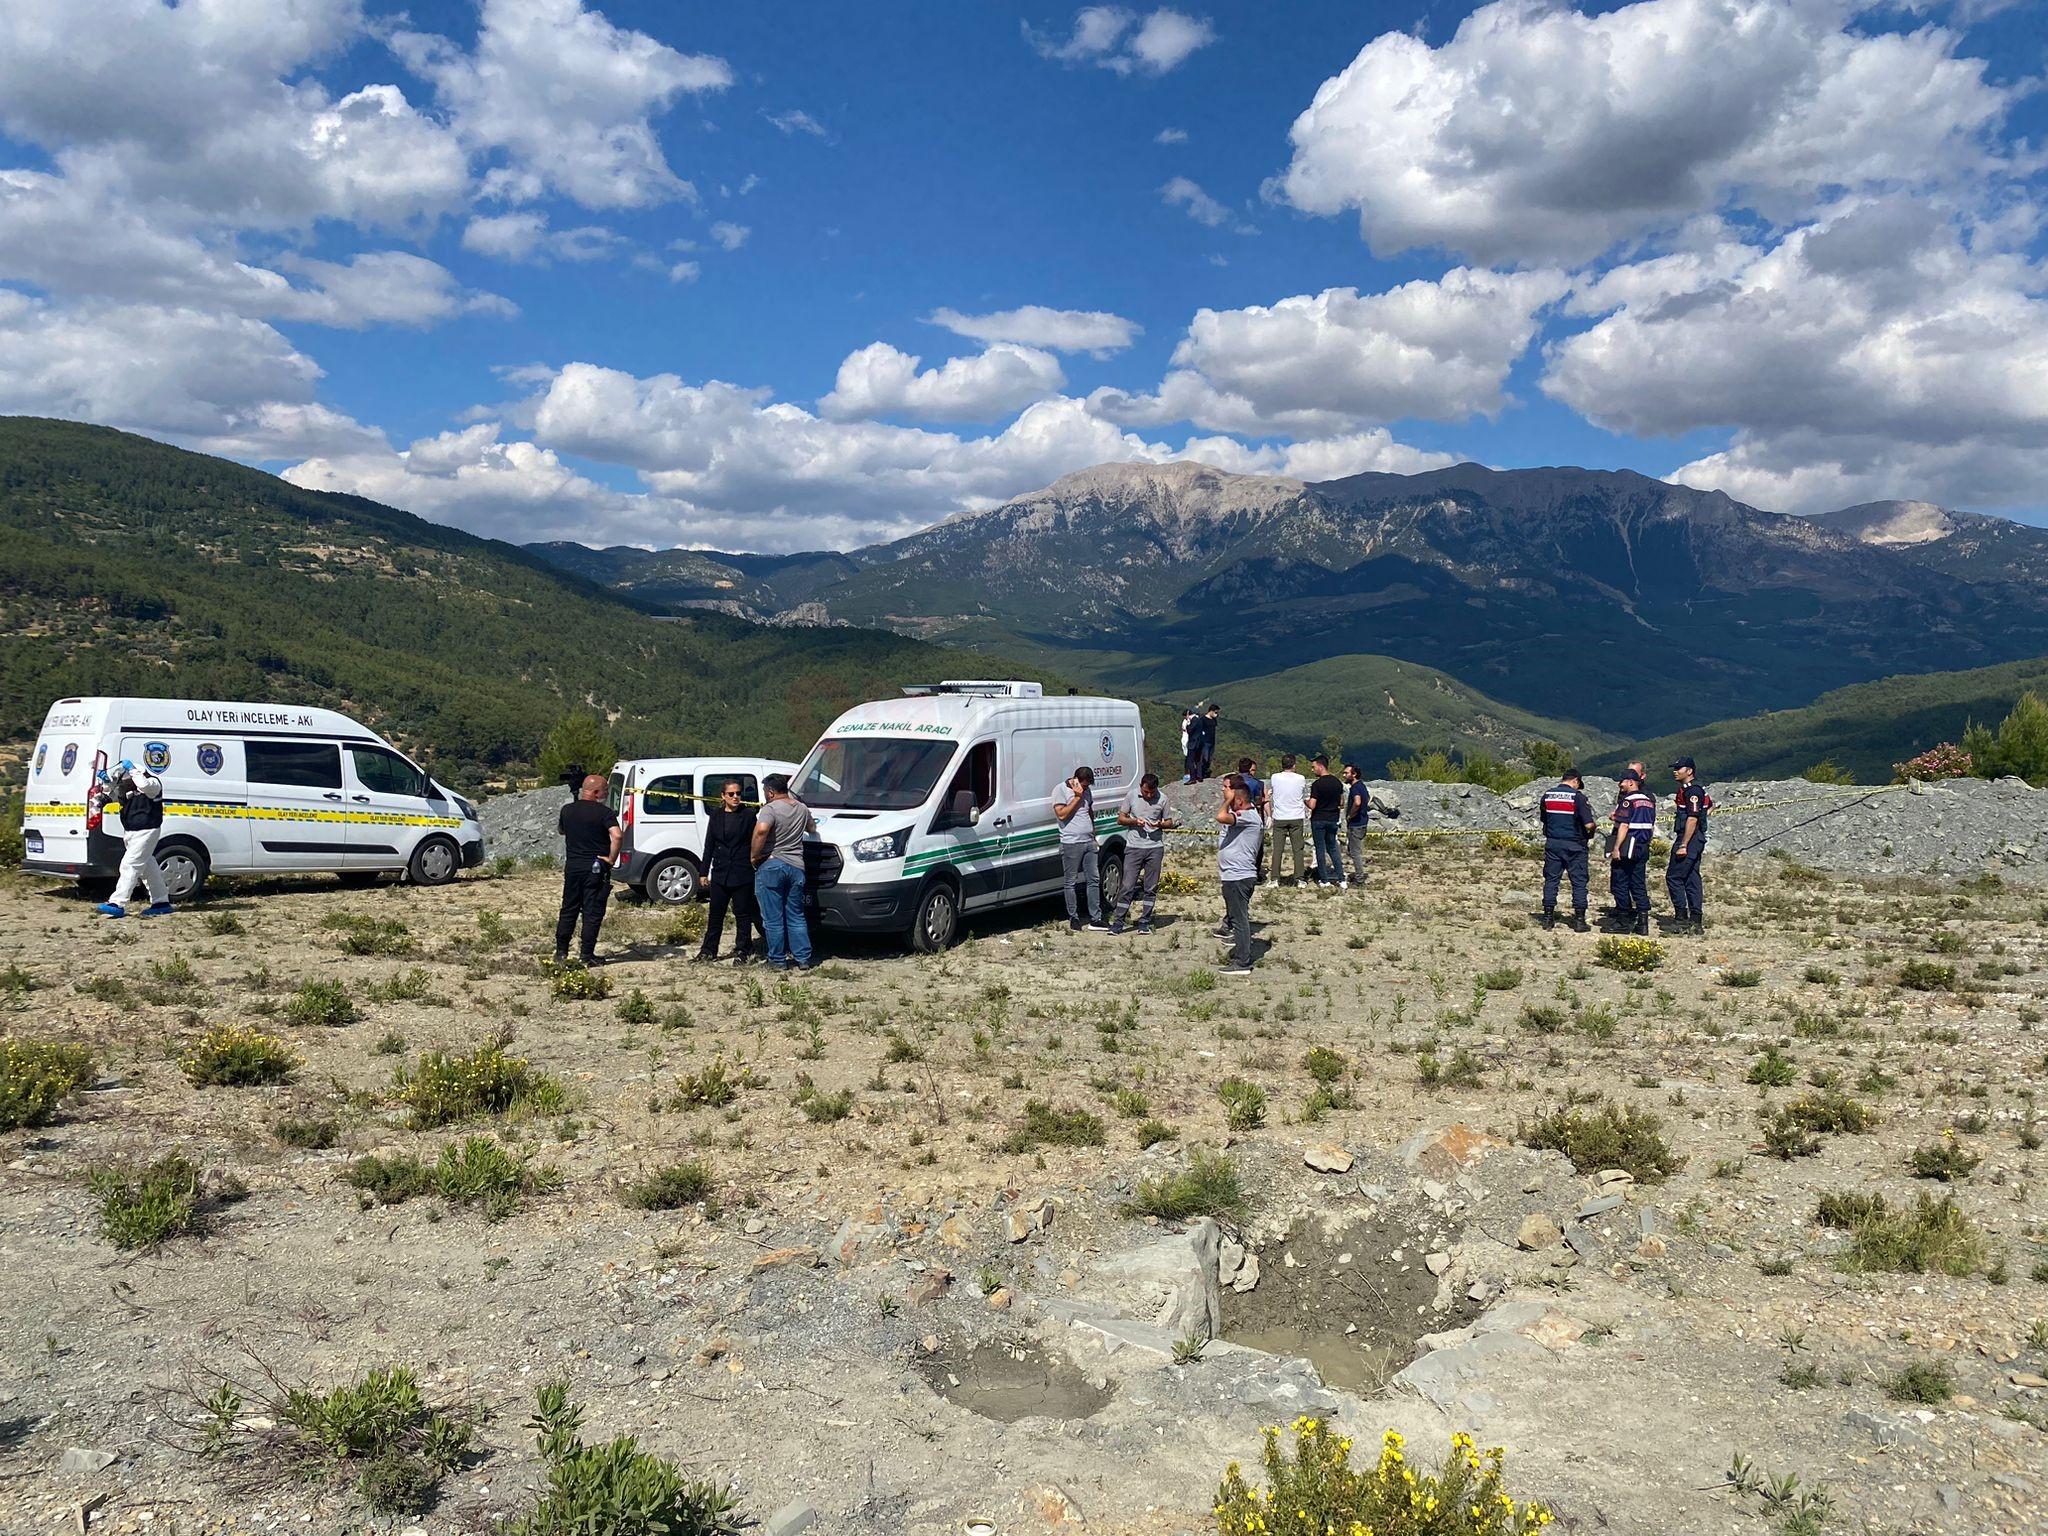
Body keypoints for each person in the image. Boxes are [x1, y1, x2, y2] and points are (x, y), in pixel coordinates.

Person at [751, 773, 817, 969]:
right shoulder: (801, 808)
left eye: (765, 792)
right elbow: (812, 828)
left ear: (770, 792)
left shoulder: (769, 809)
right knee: (796, 915)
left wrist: (754, 855)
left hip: (773, 863)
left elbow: (762, 830)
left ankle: (777, 960)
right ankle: (803, 959)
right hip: (797, 866)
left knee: (773, 918)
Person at [94, 759, 173, 919]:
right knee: (147, 867)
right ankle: (161, 902)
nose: (122, 786)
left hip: (147, 830)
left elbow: (143, 786)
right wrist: (107, 783)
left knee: (130, 865)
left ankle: (117, 903)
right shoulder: (127, 790)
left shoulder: (152, 784)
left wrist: (131, 769)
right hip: (131, 832)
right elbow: (113, 797)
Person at [555, 774, 620, 964]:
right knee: (592, 911)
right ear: (596, 792)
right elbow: (617, 836)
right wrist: (610, 860)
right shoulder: (604, 813)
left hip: (573, 866)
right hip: (595, 867)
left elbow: (562, 831)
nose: (605, 794)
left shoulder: (567, 810)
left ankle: (561, 951)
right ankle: (586, 955)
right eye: (605, 791)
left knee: (569, 908)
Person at [695, 778, 759, 964]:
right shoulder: (716, 815)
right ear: (723, 796)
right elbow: (710, 844)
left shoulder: (748, 815)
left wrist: (755, 862)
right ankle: (708, 951)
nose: (735, 797)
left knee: (742, 914)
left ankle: (743, 950)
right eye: (731, 794)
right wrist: (703, 871)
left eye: (738, 793)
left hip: (742, 872)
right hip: (721, 872)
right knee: (716, 914)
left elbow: (755, 842)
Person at [1109, 773, 1176, 933]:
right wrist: (1134, 821)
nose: (1149, 795)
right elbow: (1120, 819)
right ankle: (1118, 922)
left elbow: (1169, 822)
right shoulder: (1131, 795)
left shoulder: (1163, 799)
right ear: (1141, 786)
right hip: (1134, 847)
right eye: (1146, 792)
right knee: (1127, 886)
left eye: (1152, 793)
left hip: (1154, 847)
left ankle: (1144, 921)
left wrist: (1160, 824)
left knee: (1151, 887)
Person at [1213, 773, 1263, 975]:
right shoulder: (1246, 817)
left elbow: (1220, 817)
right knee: (1237, 918)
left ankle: (1243, 962)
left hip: (1239, 876)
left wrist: (1228, 800)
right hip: (1233, 875)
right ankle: (1241, 955)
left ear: (1239, 801)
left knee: (1240, 920)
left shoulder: (1248, 816)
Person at [1538, 768, 1599, 931]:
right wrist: (1592, 831)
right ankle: (1579, 921)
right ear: (1576, 781)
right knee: (1579, 882)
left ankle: (1548, 918)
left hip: (1553, 844)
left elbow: (1545, 820)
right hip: (1575, 846)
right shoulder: (1578, 797)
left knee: (1551, 881)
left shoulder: (1547, 796)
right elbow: (1588, 824)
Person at [1055, 765, 1108, 931]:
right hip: (1071, 842)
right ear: (1075, 780)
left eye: (1087, 786)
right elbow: (1062, 814)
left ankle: (1096, 917)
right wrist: (1077, 797)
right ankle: (1074, 917)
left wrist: (1093, 831)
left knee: (1094, 879)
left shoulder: (1087, 791)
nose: (1085, 788)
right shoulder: (1060, 790)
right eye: (1084, 785)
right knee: (1070, 881)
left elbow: (1089, 810)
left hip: (1088, 841)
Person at [1666, 757, 1711, 934]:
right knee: (1692, 878)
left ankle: (1681, 919)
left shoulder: (1693, 791)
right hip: (1696, 837)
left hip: (1689, 838)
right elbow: (1709, 807)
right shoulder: (1696, 790)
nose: (1675, 771)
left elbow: (1692, 817)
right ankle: (1696, 921)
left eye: (1679, 768)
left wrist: (1683, 843)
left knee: (1674, 877)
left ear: (1689, 771)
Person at [1609, 768, 1657, 935]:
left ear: (1631, 782)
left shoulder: (1628, 801)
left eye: (1622, 781)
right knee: (1638, 882)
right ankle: (1643, 922)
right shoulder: (1648, 801)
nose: (1620, 785)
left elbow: (1624, 824)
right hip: (1643, 845)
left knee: (1620, 880)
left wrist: (1616, 847)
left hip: (1629, 845)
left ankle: (1623, 920)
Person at [1266, 753, 1308, 885]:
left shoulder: (1275, 777)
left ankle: (1275, 878)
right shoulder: (1301, 778)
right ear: (1294, 765)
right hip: (1296, 816)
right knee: (1298, 849)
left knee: (1278, 849)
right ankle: (1300, 878)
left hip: (1280, 817)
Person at [1306, 754, 1344, 887]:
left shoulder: (1317, 784)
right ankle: (1341, 878)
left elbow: (1312, 805)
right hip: (1333, 819)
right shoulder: (1337, 782)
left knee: (1320, 849)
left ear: (1321, 766)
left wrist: (1305, 801)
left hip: (1319, 819)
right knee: (1333, 848)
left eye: (1313, 767)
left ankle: (1324, 879)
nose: (1312, 770)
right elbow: (1341, 802)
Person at [1341, 762, 1370, 889]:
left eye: (1346, 773)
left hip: (1356, 824)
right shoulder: (1362, 786)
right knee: (1352, 851)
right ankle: (1358, 875)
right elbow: (1367, 799)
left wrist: (1350, 815)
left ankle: (1359, 879)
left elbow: (1357, 802)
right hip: (1362, 823)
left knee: (1355, 852)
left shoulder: (1355, 788)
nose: (1344, 775)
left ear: (1354, 774)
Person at [1197, 704, 1221, 781]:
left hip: (1212, 741)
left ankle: (1206, 773)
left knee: (1209, 759)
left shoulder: (1214, 720)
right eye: (1215, 712)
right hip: (1205, 742)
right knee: (1204, 758)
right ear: (1211, 711)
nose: (1216, 714)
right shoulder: (1203, 719)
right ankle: (1200, 774)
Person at [1179, 711, 1196, 784]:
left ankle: (1191, 774)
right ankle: (1188, 774)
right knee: (1188, 759)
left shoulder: (1191, 721)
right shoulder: (1185, 721)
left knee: (1190, 759)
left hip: (1190, 741)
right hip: (1187, 741)